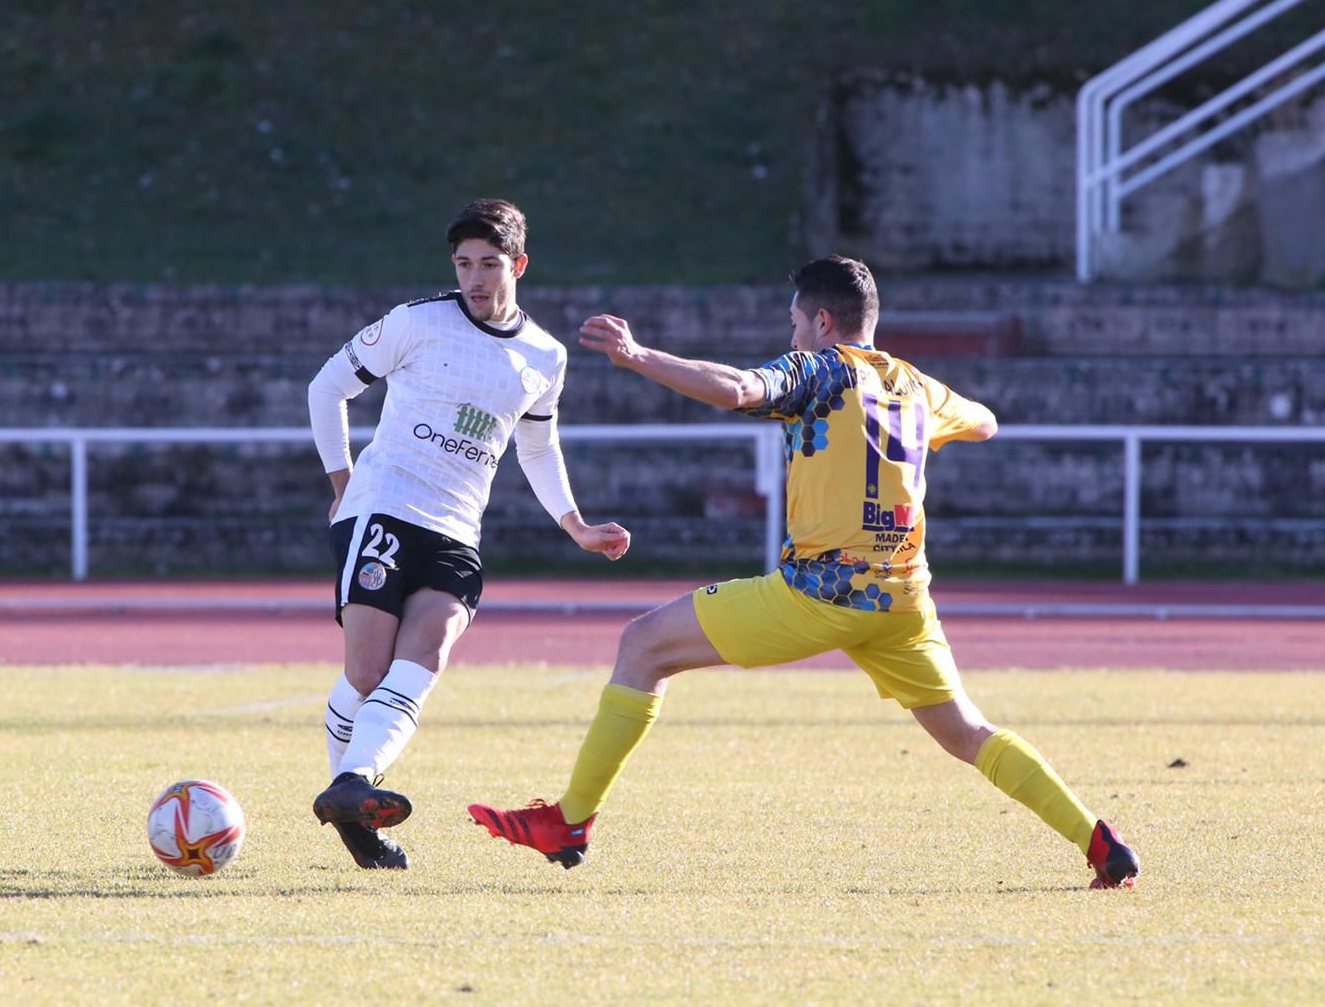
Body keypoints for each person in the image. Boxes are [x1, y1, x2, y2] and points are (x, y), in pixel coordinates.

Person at [468, 254, 1141, 890]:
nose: (790, 336)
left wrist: (638, 355)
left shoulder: (819, 369)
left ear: (821, 323)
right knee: (967, 733)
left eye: (794, 324)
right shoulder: (910, 383)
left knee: (642, 644)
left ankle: (570, 822)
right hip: (904, 599)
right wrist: (915, 430)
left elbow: (737, 388)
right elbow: (987, 423)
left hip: (822, 592)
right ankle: (1100, 843)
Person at [305, 198, 631, 870]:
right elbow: (326, 388)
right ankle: (354, 804)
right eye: (463, 264)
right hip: (385, 511)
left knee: (429, 651)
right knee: (366, 674)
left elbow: (538, 449)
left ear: (519, 265)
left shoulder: (544, 355)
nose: (475, 279)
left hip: (455, 532)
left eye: (489, 264)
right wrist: (343, 484)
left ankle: (349, 788)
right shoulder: (416, 323)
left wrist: (576, 525)